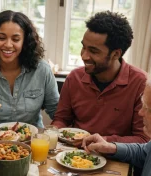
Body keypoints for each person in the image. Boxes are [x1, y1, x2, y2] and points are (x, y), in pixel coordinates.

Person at [32, 76, 151, 176]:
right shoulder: (74, 77)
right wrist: (111, 147)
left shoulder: (138, 80)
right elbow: (144, 152)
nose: (141, 112)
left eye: (148, 109)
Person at [52, 11, 149, 143]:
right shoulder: (74, 78)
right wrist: (53, 131)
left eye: (93, 51)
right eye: (83, 47)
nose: (84, 56)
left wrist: (102, 141)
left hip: (118, 159)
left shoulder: (141, 84)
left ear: (116, 54)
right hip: (73, 157)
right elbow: (62, 119)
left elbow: (143, 139)